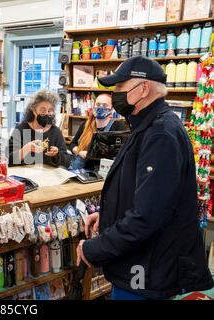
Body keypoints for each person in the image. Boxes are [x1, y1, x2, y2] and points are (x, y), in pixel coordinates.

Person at [76, 56, 214, 300]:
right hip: (144, 265)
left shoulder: (160, 134)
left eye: (120, 87)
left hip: (147, 271)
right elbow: (148, 195)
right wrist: (109, 215)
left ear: (143, 89)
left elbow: (147, 217)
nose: (116, 93)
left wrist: (95, 249)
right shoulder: (148, 126)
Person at [7, 89, 71, 168]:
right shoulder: (21, 129)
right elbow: (7, 160)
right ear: (34, 110)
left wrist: (57, 154)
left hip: (48, 177)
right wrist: (26, 149)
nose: (47, 113)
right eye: (43, 110)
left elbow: (67, 162)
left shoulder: (55, 132)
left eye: (50, 110)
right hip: (25, 176)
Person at [68, 94, 129, 170]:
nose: (100, 107)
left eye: (105, 105)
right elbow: (72, 144)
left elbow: (122, 152)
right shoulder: (86, 124)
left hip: (104, 170)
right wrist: (79, 151)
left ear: (112, 109)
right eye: (98, 104)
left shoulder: (119, 126)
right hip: (81, 169)